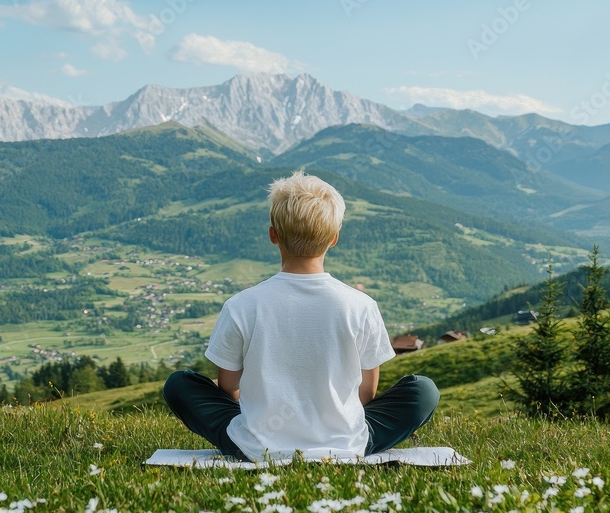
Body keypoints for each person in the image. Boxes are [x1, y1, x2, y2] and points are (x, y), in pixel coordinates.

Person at [162, 170, 439, 461]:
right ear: (334, 239)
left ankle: (256, 435)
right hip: (347, 443)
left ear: (273, 235)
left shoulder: (241, 305)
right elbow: (366, 394)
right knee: (423, 391)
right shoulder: (361, 305)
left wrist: (264, 415)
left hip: (255, 445)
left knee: (179, 384)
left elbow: (230, 388)